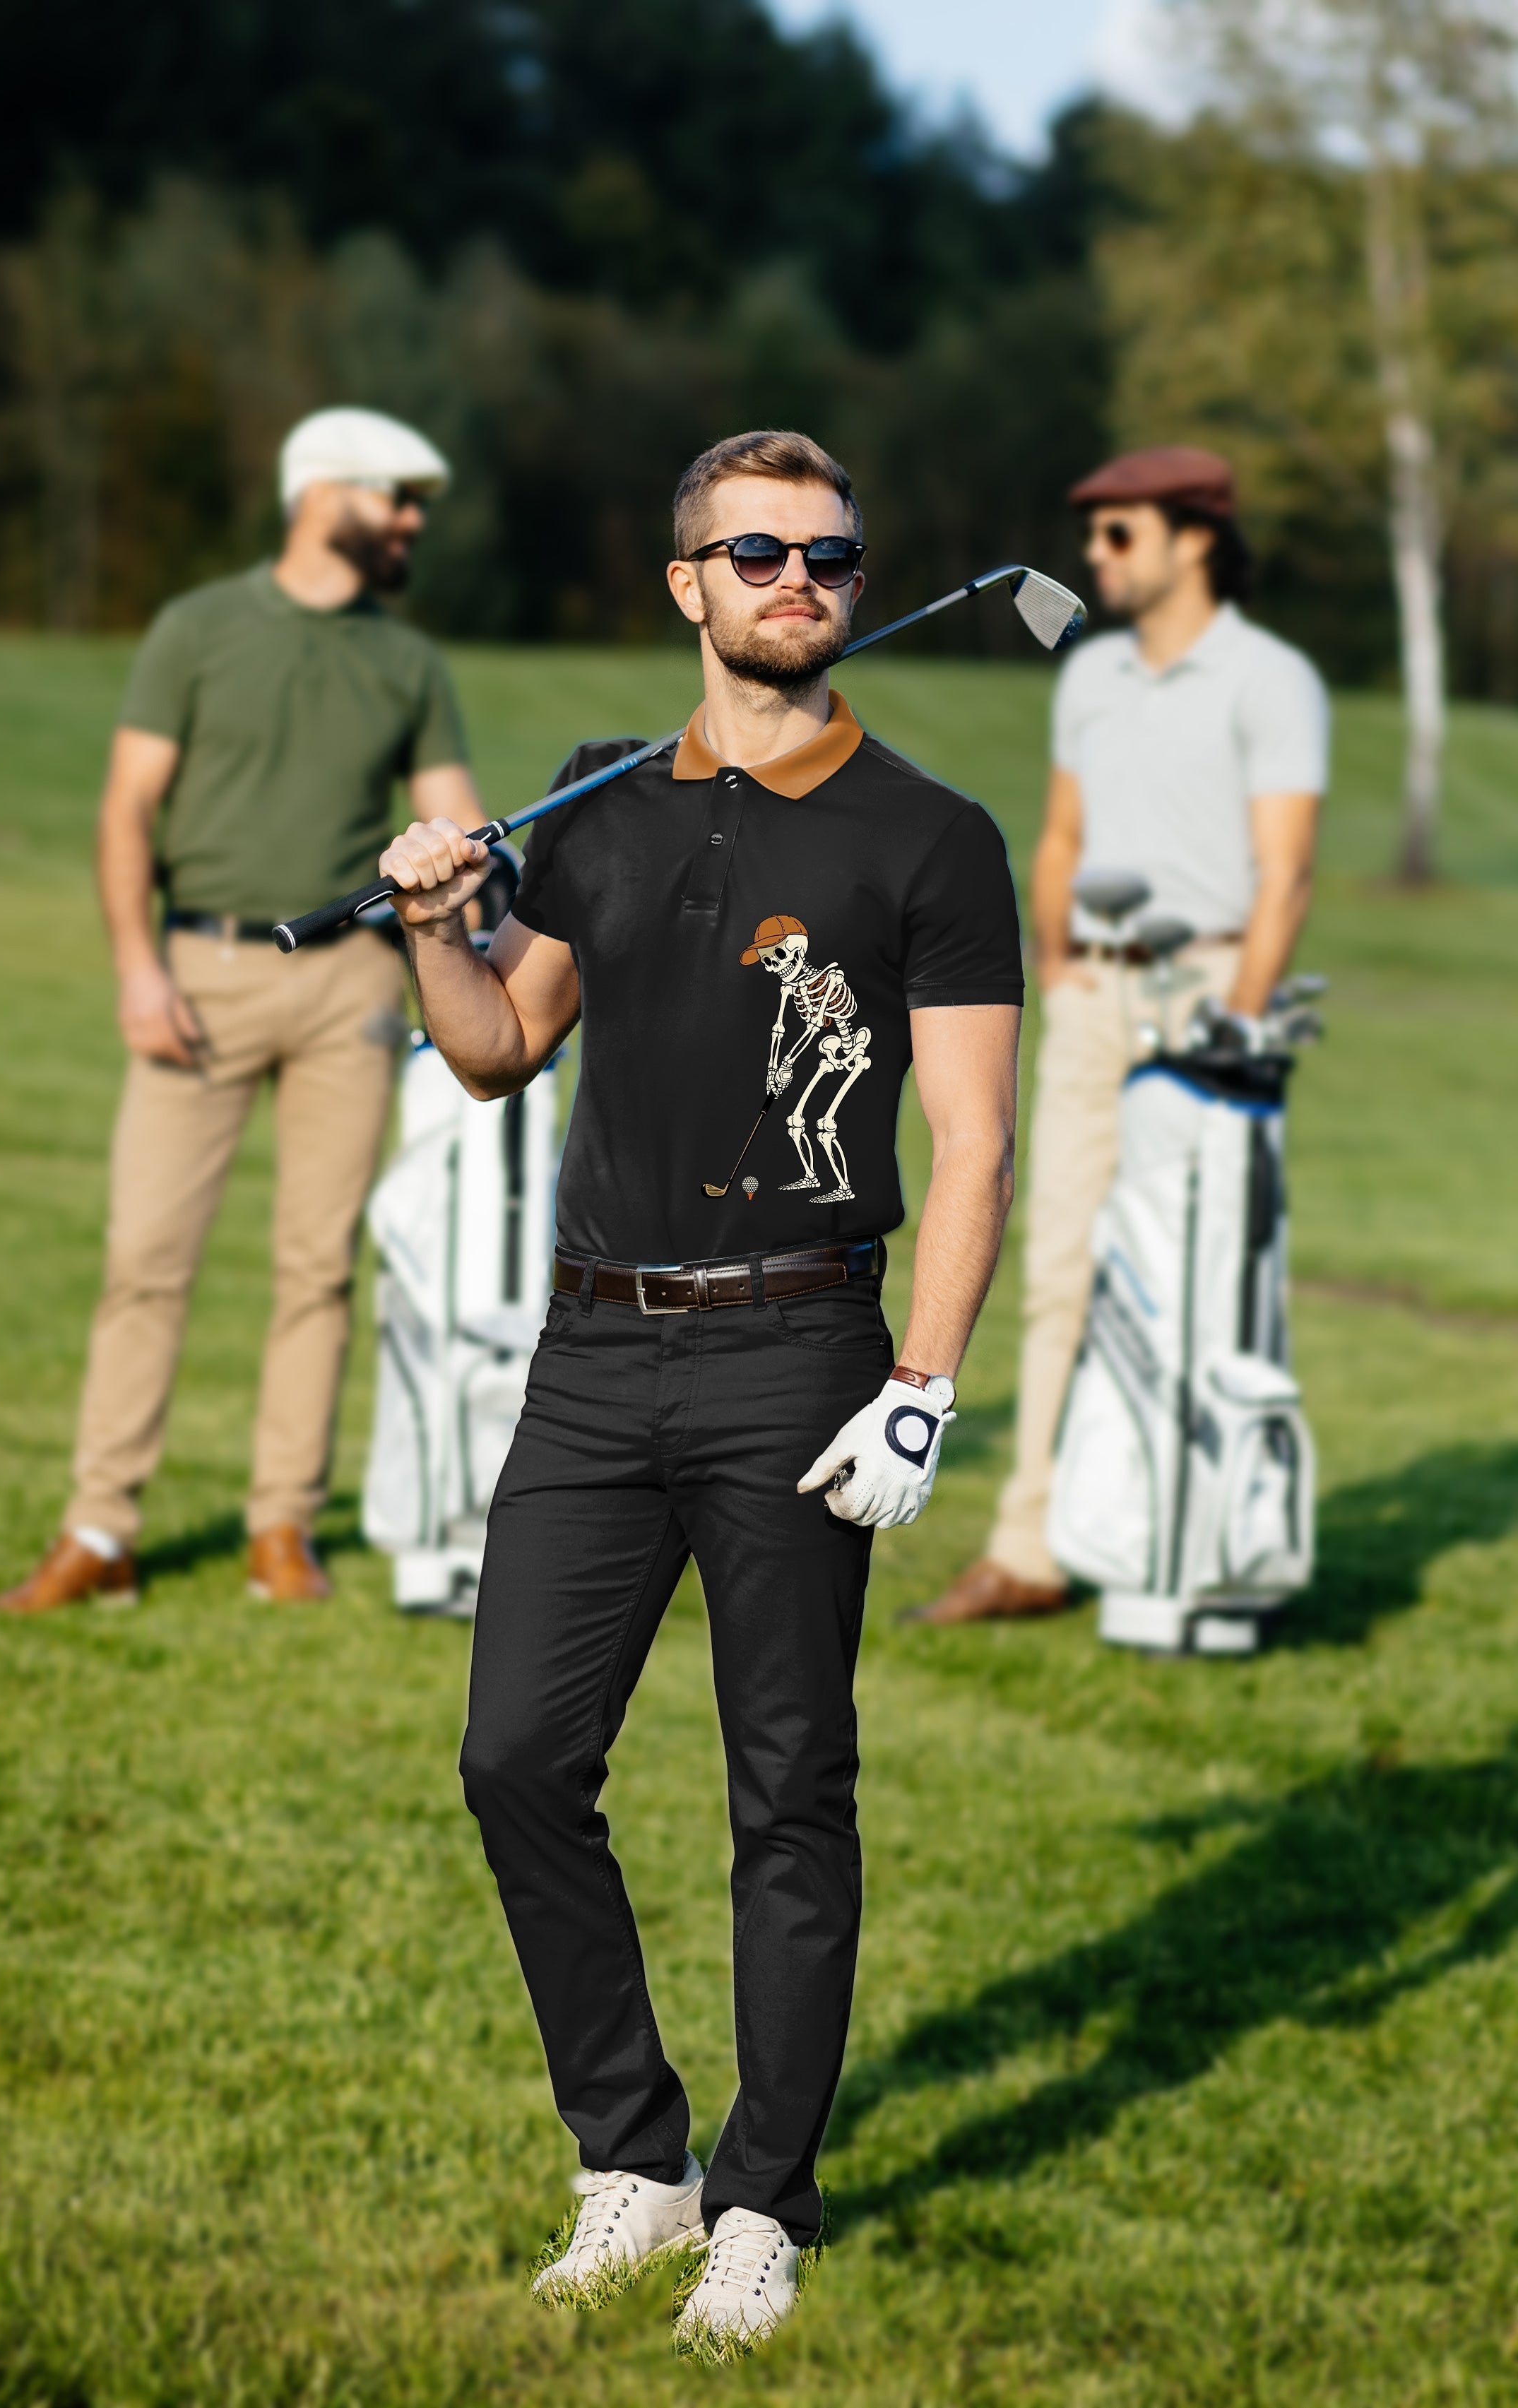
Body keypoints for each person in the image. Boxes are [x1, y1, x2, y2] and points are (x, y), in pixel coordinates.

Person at [376, 429, 1023, 2356]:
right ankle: (633, 2157)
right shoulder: (595, 804)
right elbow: (497, 1049)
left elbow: (976, 1140)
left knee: (786, 1790)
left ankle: (760, 2202)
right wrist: (433, 921)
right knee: (514, 1756)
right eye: (756, 552)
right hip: (592, 1351)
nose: (796, 579)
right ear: (691, 588)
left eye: (827, 553)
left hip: (799, 1348)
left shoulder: (931, 836)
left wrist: (924, 1384)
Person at [0, 407, 482, 1614]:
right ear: (323, 495)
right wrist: (135, 969)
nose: (414, 520)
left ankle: (281, 1531)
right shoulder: (196, 629)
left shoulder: (409, 661)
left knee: (317, 1266)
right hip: (198, 972)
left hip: (353, 988)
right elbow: (126, 810)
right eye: (397, 497)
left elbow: (460, 819)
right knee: (145, 1259)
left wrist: (484, 888)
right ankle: (100, 1528)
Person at [911, 444, 1328, 1626]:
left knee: (1194, 1279)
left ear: (1197, 537)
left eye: (1120, 534)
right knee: (1057, 1274)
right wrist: (1061, 965)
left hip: (1208, 995)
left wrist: (1237, 1027)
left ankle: (1189, 1542)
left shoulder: (1270, 678)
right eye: (1091, 535)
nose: (1095, 557)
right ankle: (1033, 1545)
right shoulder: (1089, 678)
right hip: (1094, 996)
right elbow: (1060, 839)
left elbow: (1286, 874)